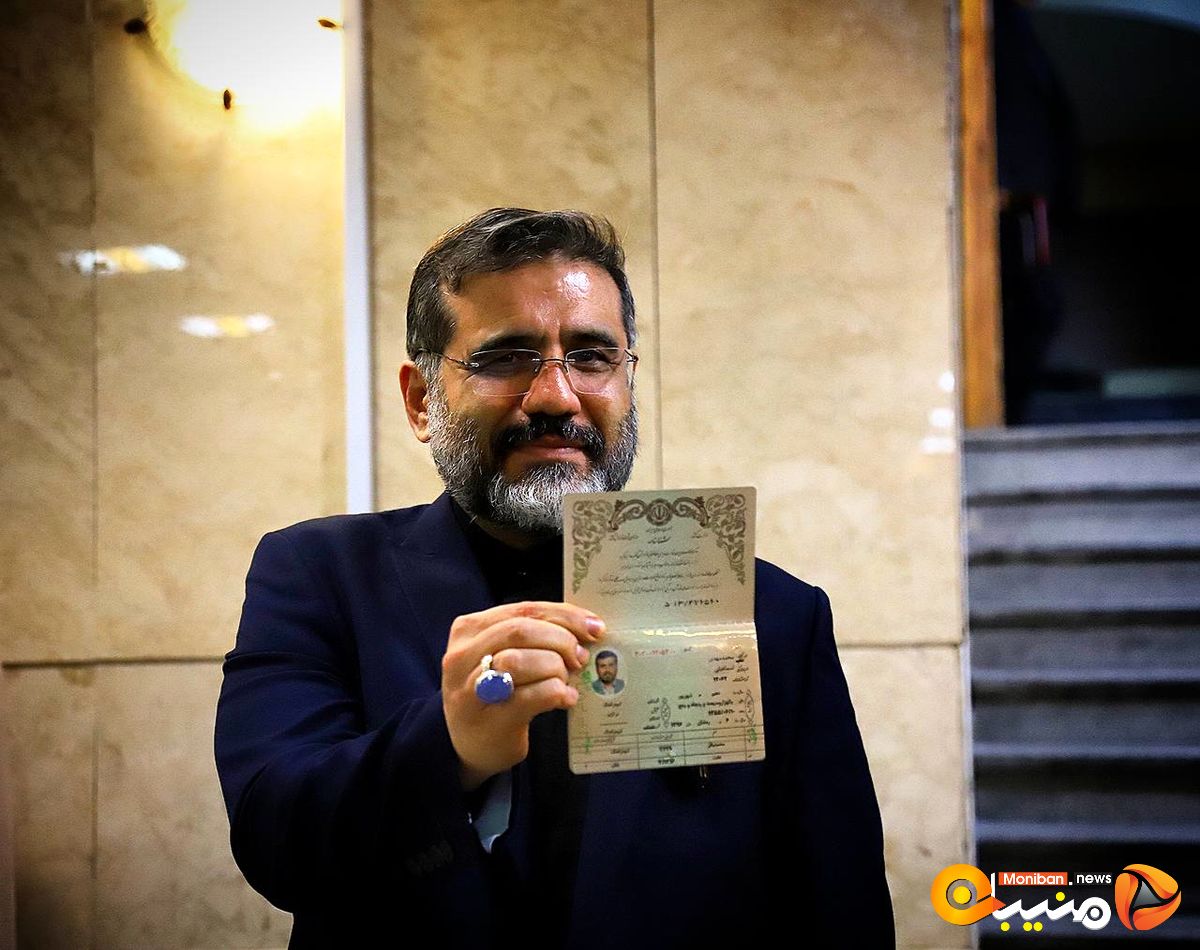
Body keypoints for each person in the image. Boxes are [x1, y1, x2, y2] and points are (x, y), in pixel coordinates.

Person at [215, 208, 894, 948]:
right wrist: (450, 745)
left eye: (592, 357)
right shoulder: (318, 575)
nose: (556, 396)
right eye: (505, 357)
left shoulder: (774, 615)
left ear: (627, 383)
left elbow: (840, 906)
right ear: (421, 400)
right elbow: (274, 839)